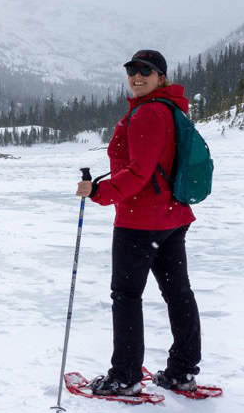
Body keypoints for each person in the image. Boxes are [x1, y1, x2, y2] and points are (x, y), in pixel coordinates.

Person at [75, 49, 202, 395]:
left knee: (127, 296)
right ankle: (182, 370)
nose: (137, 76)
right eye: (132, 70)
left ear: (161, 77)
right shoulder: (170, 109)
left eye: (146, 71)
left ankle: (125, 376)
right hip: (172, 216)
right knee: (178, 294)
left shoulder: (148, 114)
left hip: (140, 220)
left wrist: (99, 193)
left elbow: (139, 173)